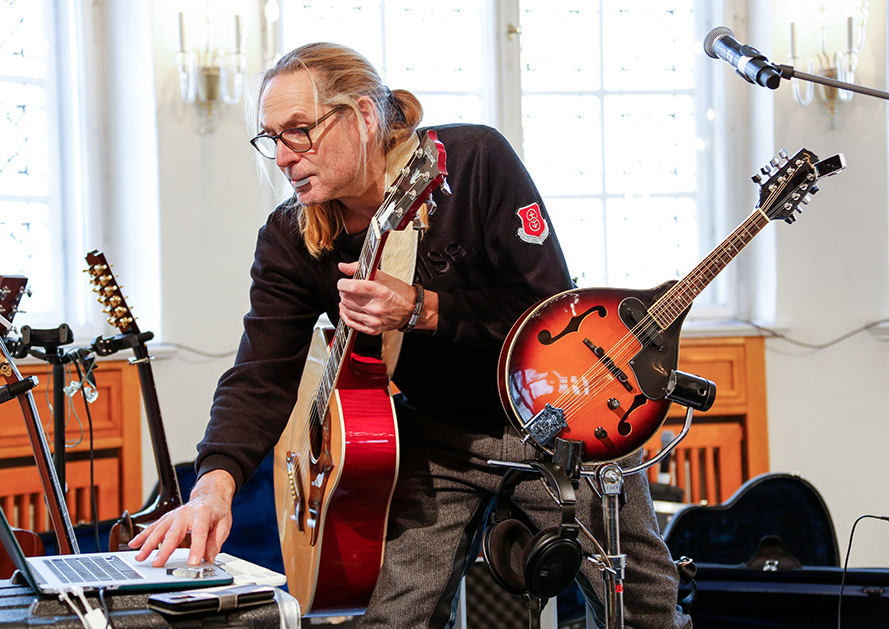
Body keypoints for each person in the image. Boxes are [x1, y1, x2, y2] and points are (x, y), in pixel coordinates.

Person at [130, 42, 692, 628]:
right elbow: (260, 374)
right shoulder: (290, 239)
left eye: (299, 131)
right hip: (436, 435)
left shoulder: (474, 160)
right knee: (393, 619)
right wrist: (212, 486)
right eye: (271, 138)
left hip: (560, 417)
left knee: (644, 607)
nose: (282, 156)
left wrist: (427, 309)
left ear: (364, 118)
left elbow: (548, 311)